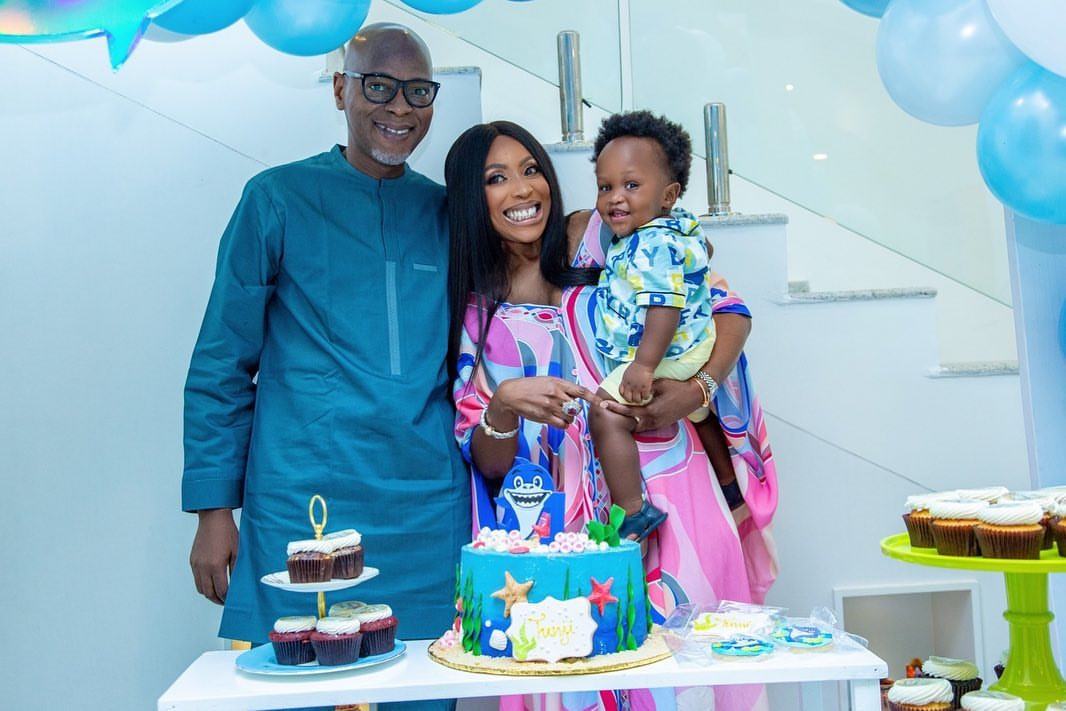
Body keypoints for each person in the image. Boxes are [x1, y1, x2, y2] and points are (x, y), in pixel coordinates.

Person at [446, 120, 778, 711]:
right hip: (554, 538)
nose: (522, 190)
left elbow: (726, 309)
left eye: (531, 170)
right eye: (497, 179)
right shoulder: (475, 310)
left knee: (691, 679)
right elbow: (489, 462)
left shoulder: (602, 233)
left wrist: (695, 389)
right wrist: (503, 402)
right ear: (473, 197)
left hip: (666, 494)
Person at [182, 23, 468, 710]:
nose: (399, 107)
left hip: (427, 508)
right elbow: (223, 361)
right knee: (296, 687)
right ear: (341, 89)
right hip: (303, 502)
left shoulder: (448, 214)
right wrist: (213, 508)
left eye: (418, 91)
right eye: (379, 86)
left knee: (426, 690)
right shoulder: (276, 199)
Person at [587, 110, 743, 542]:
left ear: (668, 194)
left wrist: (643, 365)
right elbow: (703, 248)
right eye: (605, 187)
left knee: (605, 412)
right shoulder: (672, 228)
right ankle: (731, 489)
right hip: (692, 342)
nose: (615, 198)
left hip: (669, 349)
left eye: (631, 186)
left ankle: (632, 512)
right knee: (699, 413)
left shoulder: (652, 243)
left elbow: (663, 307)